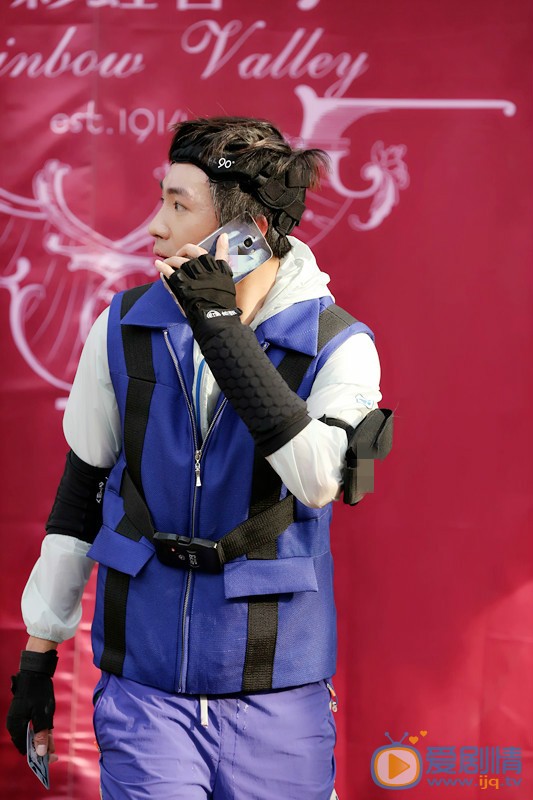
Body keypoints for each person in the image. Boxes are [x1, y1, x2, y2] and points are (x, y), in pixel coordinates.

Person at [6, 116, 389, 799]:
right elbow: (81, 492)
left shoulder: (339, 345)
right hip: (144, 688)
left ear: (249, 234)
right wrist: (38, 655)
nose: (154, 227)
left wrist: (221, 328)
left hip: (276, 690)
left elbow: (316, 479)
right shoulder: (124, 325)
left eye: (178, 206)